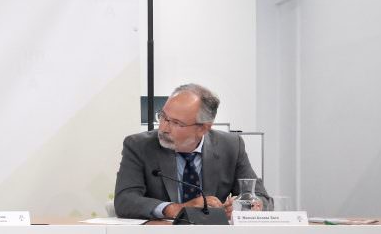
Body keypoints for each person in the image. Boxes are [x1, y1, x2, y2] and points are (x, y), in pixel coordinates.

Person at [113, 83, 271, 220]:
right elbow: (125, 200)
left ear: (203, 128)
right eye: (163, 117)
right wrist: (176, 209)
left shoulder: (231, 146)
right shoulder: (139, 145)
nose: (164, 128)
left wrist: (246, 206)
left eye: (176, 123)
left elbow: (262, 198)